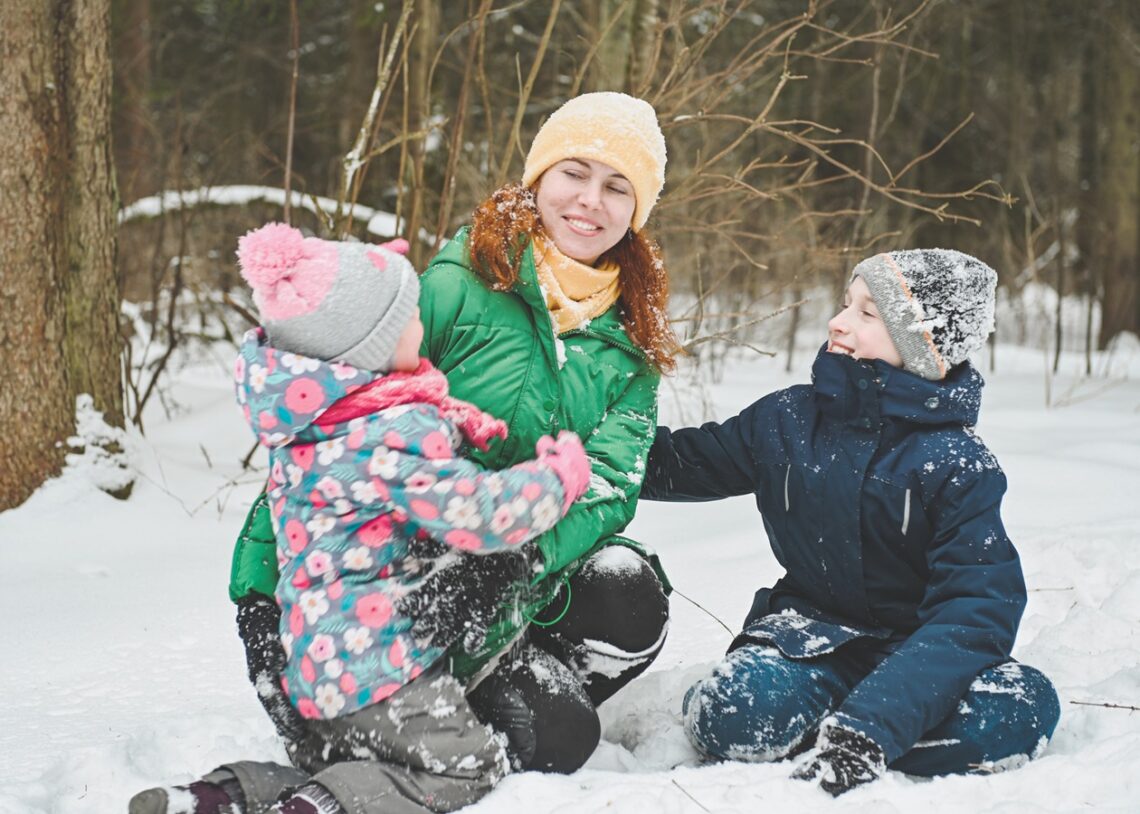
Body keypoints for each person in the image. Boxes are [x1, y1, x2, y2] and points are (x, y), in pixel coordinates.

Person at [133, 91, 678, 814]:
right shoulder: (457, 285)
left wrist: (515, 560)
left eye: (617, 187)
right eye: (574, 173)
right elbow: (333, 427)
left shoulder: (630, 345)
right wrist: (260, 598)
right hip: (376, 592)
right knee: (466, 756)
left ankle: (275, 785)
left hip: (496, 590)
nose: (589, 201)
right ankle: (354, 774)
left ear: (636, 212)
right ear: (538, 178)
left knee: (604, 643)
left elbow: (609, 481)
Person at [641, 250, 1060, 795]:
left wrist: (874, 725)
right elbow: (680, 463)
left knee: (1024, 707)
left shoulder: (957, 463)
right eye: (845, 304)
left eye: (867, 313)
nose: (837, 322)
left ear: (922, 345)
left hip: (917, 656)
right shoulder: (787, 418)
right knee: (732, 708)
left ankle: (856, 727)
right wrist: (582, 453)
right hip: (806, 640)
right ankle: (838, 722)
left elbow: (976, 611)